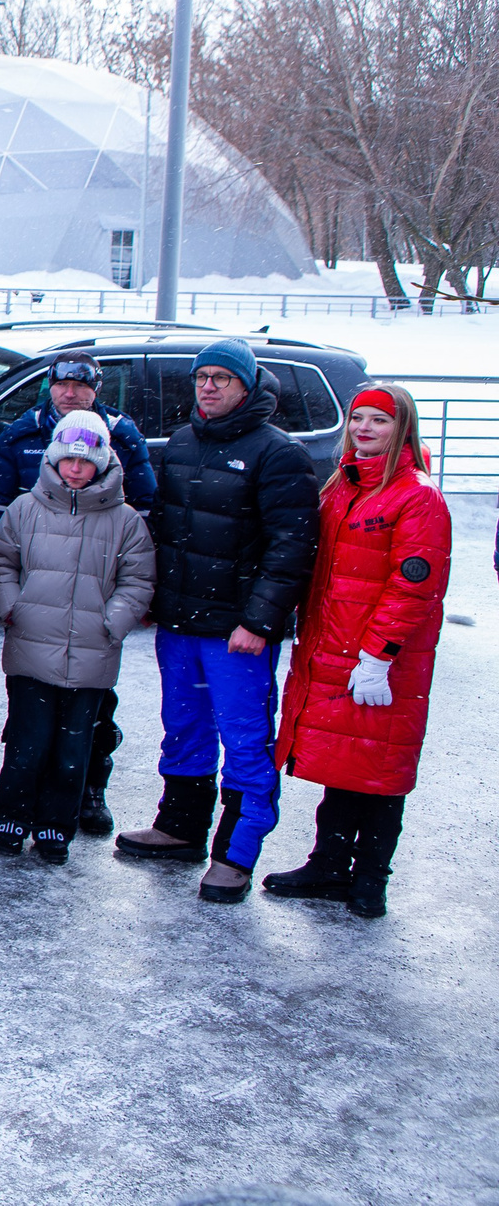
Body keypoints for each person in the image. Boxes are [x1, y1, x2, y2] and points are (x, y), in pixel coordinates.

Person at [115, 339, 321, 902]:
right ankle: (179, 827)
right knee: (184, 727)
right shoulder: (183, 442)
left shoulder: (278, 454)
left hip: (237, 633)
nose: (208, 386)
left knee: (246, 740)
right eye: (202, 376)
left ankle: (237, 850)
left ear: (247, 386)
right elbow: (164, 529)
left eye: (222, 379)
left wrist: (259, 621)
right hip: (181, 624)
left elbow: (292, 547)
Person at [268, 384, 451, 919]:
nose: (364, 428)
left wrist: (379, 656)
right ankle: (328, 865)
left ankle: (370, 877)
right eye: (357, 419)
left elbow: (413, 584)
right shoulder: (342, 487)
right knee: (345, 762)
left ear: (403, 430)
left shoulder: (416, 495)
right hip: (335, 649)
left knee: (380, 768)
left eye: (379, 420)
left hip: (380, 661)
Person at [0, 351, 158, 836]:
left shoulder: (123, 435)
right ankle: (16, 811)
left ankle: (84, 797)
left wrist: (112, 621)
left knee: (85, 733)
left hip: (92, 627)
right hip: (36, 621)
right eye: (62, 383)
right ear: (50, 385)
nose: (71, 392)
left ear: (96, 388)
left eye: (82, 384)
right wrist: (10, 601)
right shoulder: (21, 434)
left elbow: (142, 520)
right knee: (29, 733)